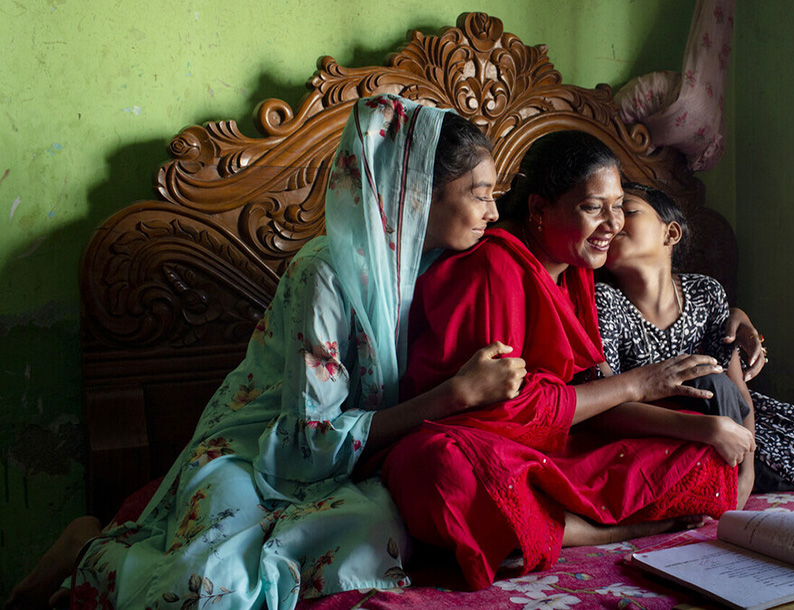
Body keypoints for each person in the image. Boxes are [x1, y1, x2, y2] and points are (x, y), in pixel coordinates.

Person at [4, 95, 527, 610]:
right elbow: (307, 438)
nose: (494, 211)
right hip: (258, 447)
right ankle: (87, 549)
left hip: (350, 460)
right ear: (414, 193)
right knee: (212, 592)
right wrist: (455, 394)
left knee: (371, 549)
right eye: (480, 195)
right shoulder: (324, 271)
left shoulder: (444, 268)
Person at [382, 131, 756, 591]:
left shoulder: (575, 270)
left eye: (619, 206)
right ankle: (613, 531)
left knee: (696, 451)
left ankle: (542, 525)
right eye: (593, 207)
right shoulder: (493, 266)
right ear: (539, 210)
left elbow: (587, 393)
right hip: (473, 437)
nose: (613, 223)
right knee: (444, 471)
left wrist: (699, 426)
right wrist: (637, 383)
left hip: (545, 440)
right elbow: (501, 409)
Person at [595, 182, 794, 493]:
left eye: (627, 211)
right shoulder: (604, 300)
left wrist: (747, 474)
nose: (615, 221)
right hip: (653, 425)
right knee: (711, 383)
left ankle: (726, 476)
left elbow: (739, 392)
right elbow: (605, 404)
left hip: (723, 414)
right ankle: (720, 474)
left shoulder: (706, 292)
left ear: (670, 234)